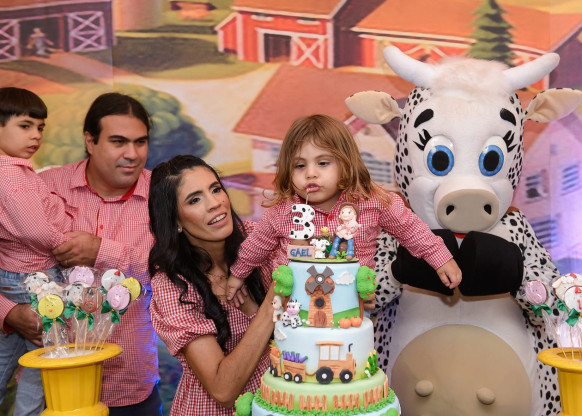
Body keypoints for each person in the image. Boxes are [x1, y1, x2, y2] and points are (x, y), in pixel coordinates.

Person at [227, 114, 462, 301]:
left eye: (323, 163)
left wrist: (440, 258)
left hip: (350, 304)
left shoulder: (371, 200)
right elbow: (256, 245)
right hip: (294, 307)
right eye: (299, 165)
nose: (310, 173)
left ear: (346, 163)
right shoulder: (284, 209)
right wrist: (237, 275)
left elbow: (410, 229)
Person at [39, 93, 162, 415]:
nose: (132, 154)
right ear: (90, 141)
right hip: (51, 381)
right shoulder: (44, 188)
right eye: (118, 142)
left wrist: (101, 251)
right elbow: (7, 258)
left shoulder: (163, 196)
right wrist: (9, 312)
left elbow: (175, 271)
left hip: (130, 385)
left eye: (140, 142)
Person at [148, 155, 275, 416]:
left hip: (275, 404)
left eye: (215, 189)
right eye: (195, 200)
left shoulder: (257, 240)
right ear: (176, 222)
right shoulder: (173, 285)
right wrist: (274, 302)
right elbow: (223, 390)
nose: (215, 203)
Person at [0, 87, 71, 416]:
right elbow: (35, 230)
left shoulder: (14, 171)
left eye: (40, 127)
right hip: (35, 279)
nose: (36, 135)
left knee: (7, 360)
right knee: (47, 360)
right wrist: (63, 241)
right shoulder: (12, 176)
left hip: (15, 277)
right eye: (25, 126)